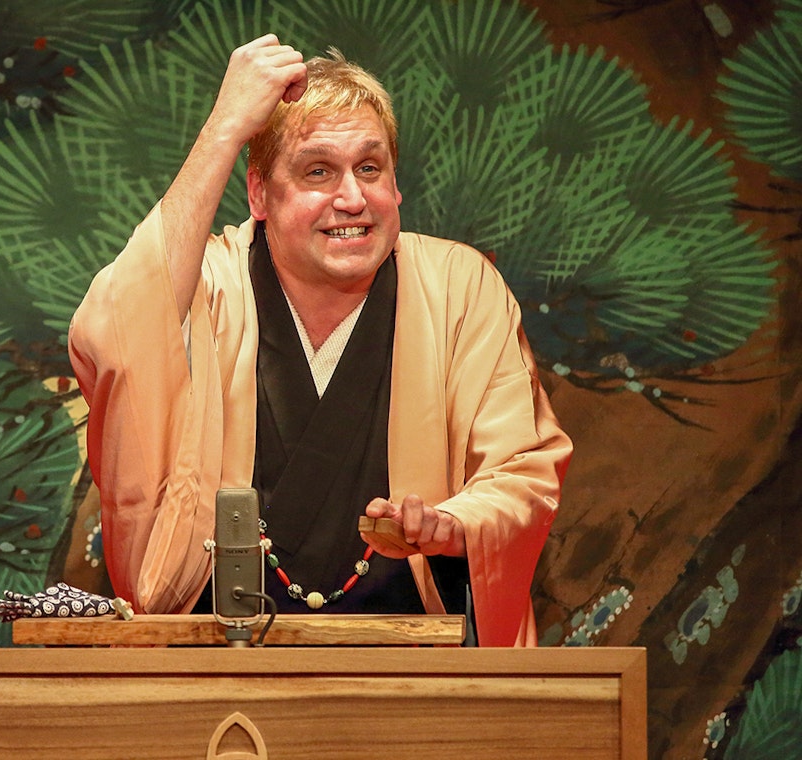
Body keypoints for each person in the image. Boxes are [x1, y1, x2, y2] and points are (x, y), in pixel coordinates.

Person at [68, 35, 572, 646]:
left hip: (421, 658)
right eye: (317, 171)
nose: (352, 198)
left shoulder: (460, 290)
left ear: (396, 186)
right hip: (215, 655)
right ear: (258, 193)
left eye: (370, 168)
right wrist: (226, 128)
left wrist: (450, 524)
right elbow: (115, 337)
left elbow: (524, 470)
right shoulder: (208, 288)